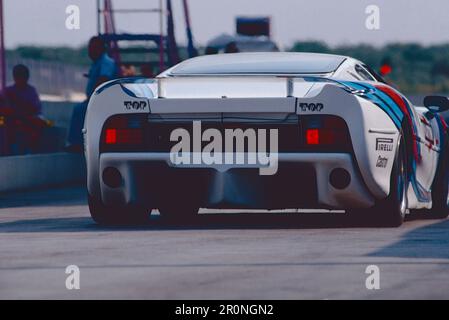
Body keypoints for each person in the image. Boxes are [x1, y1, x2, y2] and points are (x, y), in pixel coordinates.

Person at [66, 36, 117, 152]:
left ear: (100, 48)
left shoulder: (106, 62)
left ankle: (76, 143)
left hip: (104, 102)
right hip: (96, 100)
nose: (90, 51)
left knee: (79, 110)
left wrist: (92, 99)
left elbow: (103, 79)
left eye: (93, 48)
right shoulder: (97, 63)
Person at [1, 64, 47, 154]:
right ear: (14, 77)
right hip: (12, 120)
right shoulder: (8, 91)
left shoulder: (31, 91)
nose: (20, 78)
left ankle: (31, 149)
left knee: (40, 123)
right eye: (17, 75)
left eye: (22, 76)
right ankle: (11, 147)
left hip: (28, 119)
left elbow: (36, 108)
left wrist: (23, 107)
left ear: (27, 77)